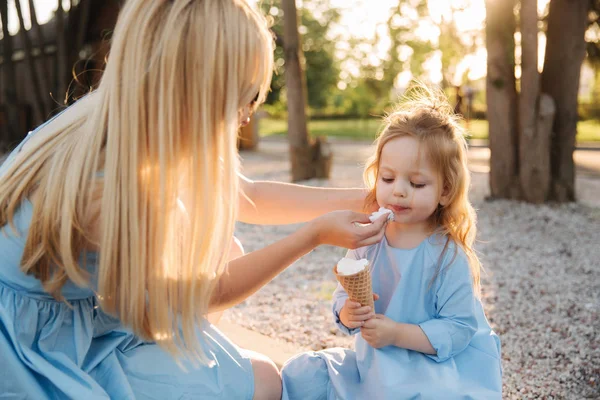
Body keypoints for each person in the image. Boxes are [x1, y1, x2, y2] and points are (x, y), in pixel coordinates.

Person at [0, 1, 389, 399]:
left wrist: (369, 199)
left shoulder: (118, 120)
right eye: (247, 96)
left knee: (228, 247)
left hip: (70, 315)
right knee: (266, 382)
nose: (248, 114)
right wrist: (313, 236)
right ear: (202, 93)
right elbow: (210, 292)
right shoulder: (109, 186)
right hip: (39, 351)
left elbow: (249, 196)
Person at [281, 85, 502, 399]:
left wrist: (398, 334)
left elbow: (459, 328)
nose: (398, 191)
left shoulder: (447, 256)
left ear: (445, 190)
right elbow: (342, 297)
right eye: (387, 178)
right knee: (302, 374)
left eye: (416, 183)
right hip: (375, 368)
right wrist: (347, 313)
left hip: (432, 371)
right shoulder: (367, 237)